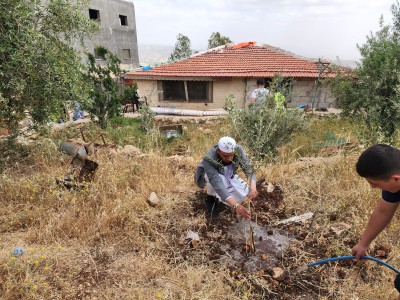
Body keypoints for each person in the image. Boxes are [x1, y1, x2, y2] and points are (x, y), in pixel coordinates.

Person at [351, 144, 400, 297]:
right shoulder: (396, 181)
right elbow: (383, 210)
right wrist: (363, 243)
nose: (373, 188)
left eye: (375, 184)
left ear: (396, 179)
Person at [194, 136, 258, 220]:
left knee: (244, 190)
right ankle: (210, 199)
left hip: (227, 172)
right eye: (225, 156)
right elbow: (216, 183)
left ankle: (221, 199)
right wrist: (236, 205)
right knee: (218, 181)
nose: (229, 159)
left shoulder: (238, 150)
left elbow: (248, 169)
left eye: (231, 155)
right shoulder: (209, 158)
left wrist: (253, 187)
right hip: (208, 175)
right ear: (218, 151)